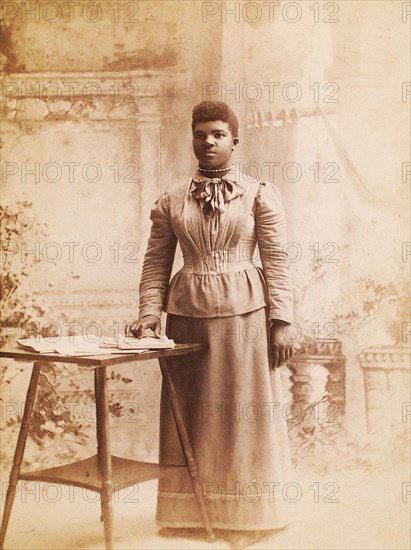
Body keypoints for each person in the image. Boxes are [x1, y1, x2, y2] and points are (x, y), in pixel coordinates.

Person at [128, 101, 294, 549]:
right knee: (193, 416)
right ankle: (189, 517)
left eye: (218, 134)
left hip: (246, 316)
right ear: (193, 139)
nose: (208, 141)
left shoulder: (259, 193)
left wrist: (282, 320)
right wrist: (148, 313)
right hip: (186, 319)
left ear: (234, 142)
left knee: (244, 416)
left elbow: (276, 260)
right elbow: (155, 264)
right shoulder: (171, 200)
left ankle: (248, 516)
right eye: (201, 134)